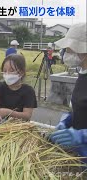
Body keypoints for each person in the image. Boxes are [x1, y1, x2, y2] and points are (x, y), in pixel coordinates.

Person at [49, 23, 87, 165]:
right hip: (81, 155)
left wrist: (82, 135)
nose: (66, 51)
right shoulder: (82, 74)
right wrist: (67, 120)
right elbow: (81, 107)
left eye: (70, 48)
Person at [0, 54, 37, 123]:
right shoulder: (0, 85)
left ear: (21, 72)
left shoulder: (28, 91)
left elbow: (27, 115)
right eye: (4, 71)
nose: (7, 74)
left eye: (11, 70)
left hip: (18, 127)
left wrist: (8, 112)